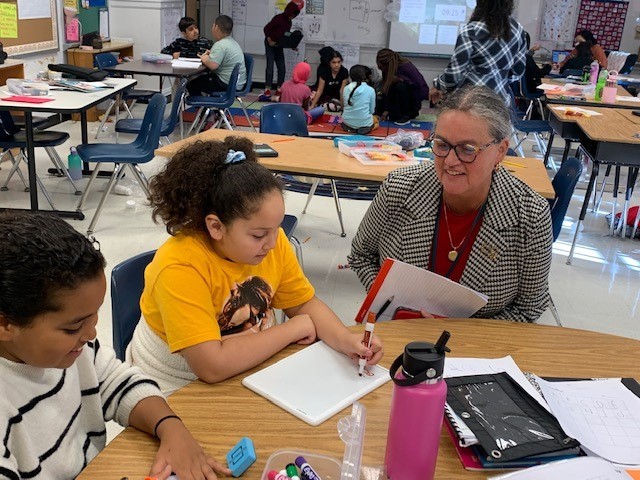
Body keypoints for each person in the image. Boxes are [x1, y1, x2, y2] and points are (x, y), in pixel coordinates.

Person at [128, 136, 384, 394]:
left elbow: (302, 303)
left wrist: (345, 339)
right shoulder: (180, 267)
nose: (272, 243)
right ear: (216, 226)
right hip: (175, 381)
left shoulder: (271, 242)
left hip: (247, 364)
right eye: (259, 235)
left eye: (276, 229)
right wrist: (293, 329)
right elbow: (211, 366)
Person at [0, 212, 231, 480]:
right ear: (6, 325)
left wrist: (171, 428)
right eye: (73, 327)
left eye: (94, 316)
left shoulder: (73, 349)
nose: (91, 333)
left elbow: (117, 383)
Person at [349, 86, 553, 323]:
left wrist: (459, 334)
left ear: (500, 152)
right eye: (442, 145)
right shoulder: (399, 189)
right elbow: (361, 256)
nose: (451, 161)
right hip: (397, 334)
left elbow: (529, 308)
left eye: (468, 149)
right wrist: (388, 303)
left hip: (477, 351)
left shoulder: (530, 215)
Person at [429, 0, 527, 107]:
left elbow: (455, 74)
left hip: (470, 99)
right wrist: (498, 77)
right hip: (501, 99)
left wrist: (438, 85)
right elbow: (518, 72)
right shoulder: (519, 31)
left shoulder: (472, 30)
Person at [186, 14, 247, 97]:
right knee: (206, 79)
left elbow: (213, 66)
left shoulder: (220, 45)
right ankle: (211, 107)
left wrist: (204, 58)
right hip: (238, 83)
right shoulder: (232, 42)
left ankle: (203, 106)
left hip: (227, 85)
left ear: (216, 27)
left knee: (192, 84)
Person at [375, 48, 429, 124]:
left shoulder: (406, 67)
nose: (379, 68)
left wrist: (403, 80)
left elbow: (423, 90)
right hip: (395, 98)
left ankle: (407, 115)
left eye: (380, 67)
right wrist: (386, 109)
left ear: (387, 64)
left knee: (400, 86)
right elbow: (386, 90)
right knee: (383, 88)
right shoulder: (387, 70)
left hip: (411, 100)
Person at [264, 2, 300, 95]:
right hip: (270, 43)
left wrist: (293, 45)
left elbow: (286, 36)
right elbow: (266, 28)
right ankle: (267, 88)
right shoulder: (278, 18)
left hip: (279, 45)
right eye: (291, 14)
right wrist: (269, 39)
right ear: (288, 11)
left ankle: (279, 88)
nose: (292, 17)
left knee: (282, 67)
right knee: (270, 66)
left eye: (294, 15)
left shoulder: (289, 22)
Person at [341, 64, 379, 135]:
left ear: (350, 77)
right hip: (364, 122)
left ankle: (351, 128)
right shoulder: (370, 90)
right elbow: (372, 111)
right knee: (376, 122)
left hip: (347, 121)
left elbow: (344, 106)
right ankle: (364, 129)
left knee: (350, 120)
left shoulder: (346, 88)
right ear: (364, 76)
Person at [309, 47, 350, 111]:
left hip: (337, 96)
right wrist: (312, 106)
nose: (336, 65)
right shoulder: (324, 71)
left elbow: (342, 91)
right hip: (325, 94)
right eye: (334, 62)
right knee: (310, 96)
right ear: (329, 63)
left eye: (339, 62)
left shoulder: (344, 71)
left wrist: (343, 108)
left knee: (335, 106)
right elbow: (320, 90)